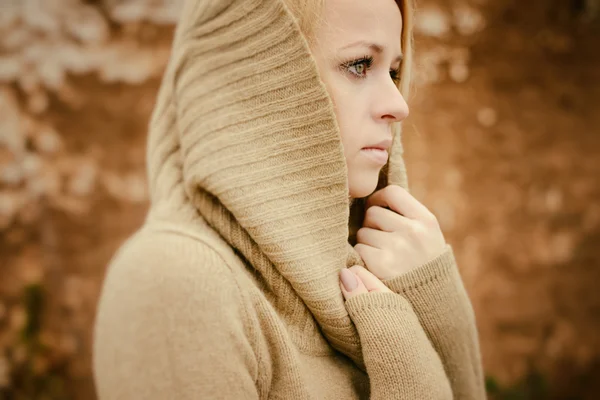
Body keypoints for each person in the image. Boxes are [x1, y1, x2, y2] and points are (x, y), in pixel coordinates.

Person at [93, 0, 486, 398]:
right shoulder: (176, 281)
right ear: (256, 80)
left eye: (395, 71)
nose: (399, 105)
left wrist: (438, 306)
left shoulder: (380, 271)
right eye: (360, 64)